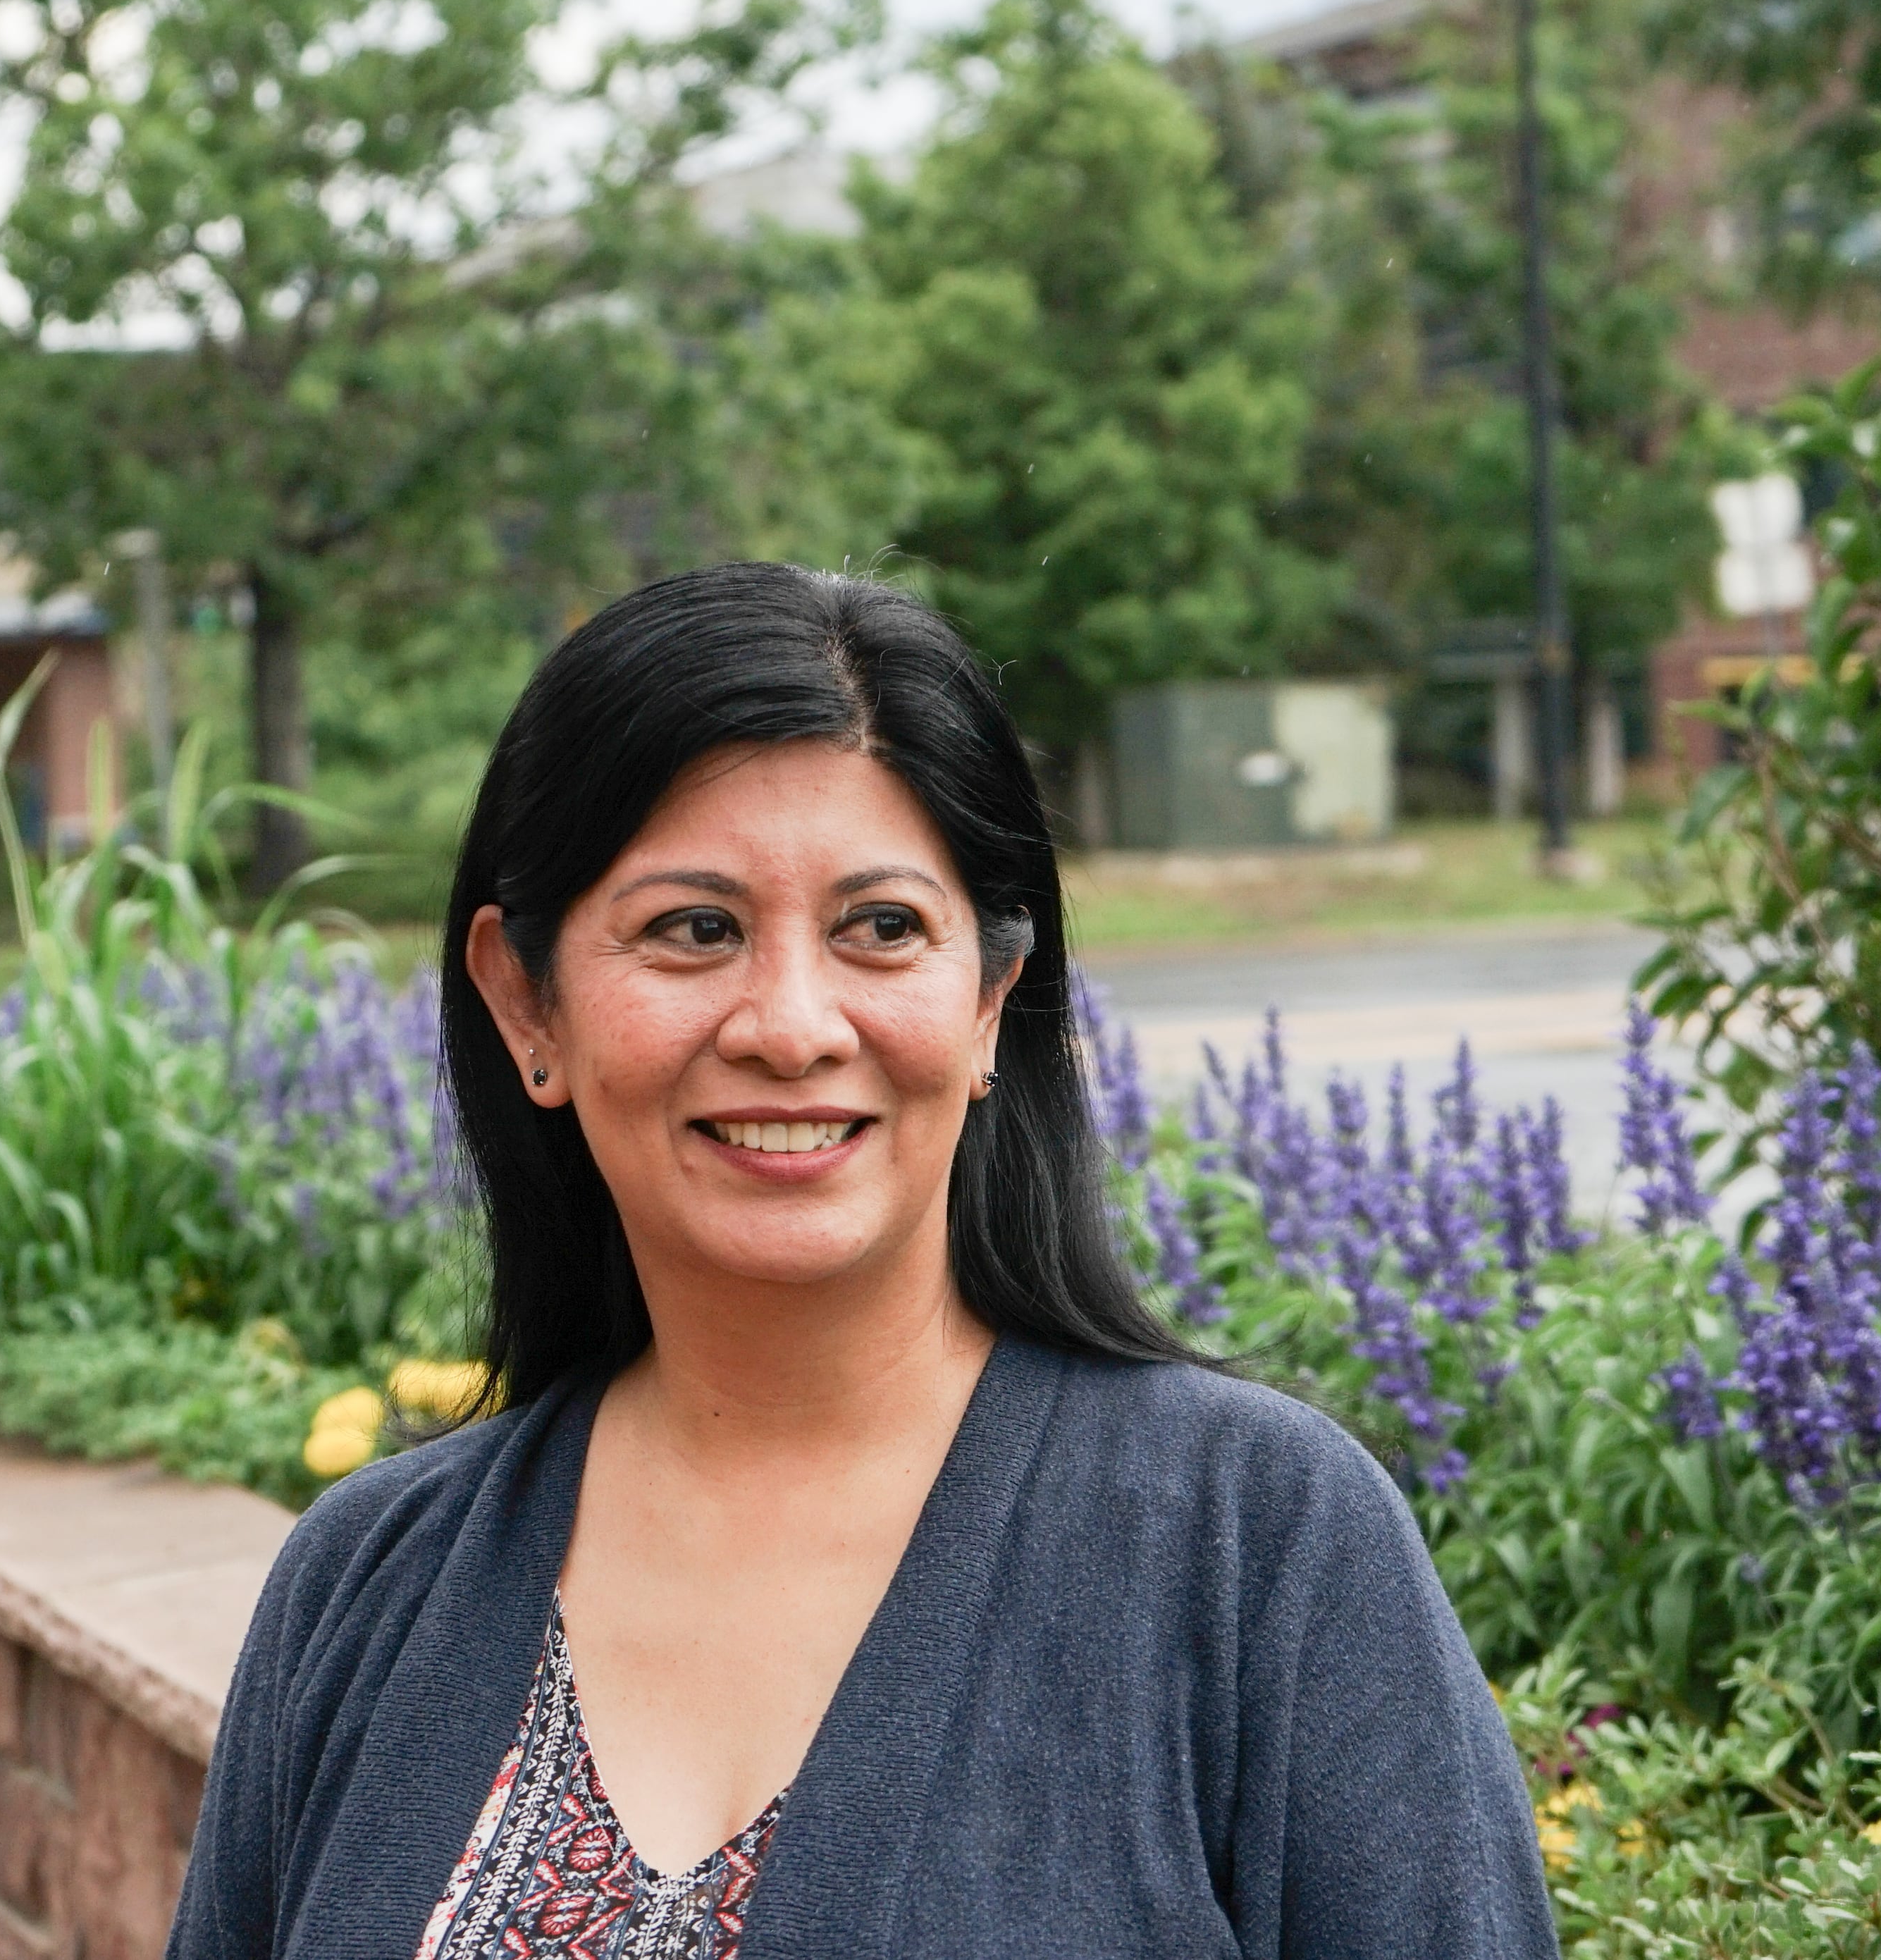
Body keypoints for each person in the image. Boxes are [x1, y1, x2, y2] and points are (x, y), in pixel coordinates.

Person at [165, 563, 1556, 1960]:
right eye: (693, 928)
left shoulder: (1258, 1547)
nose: (788, 1021)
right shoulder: (369, 1583)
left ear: (989, 999)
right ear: (528, 998)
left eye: (880, 927)